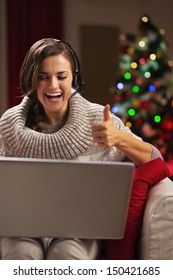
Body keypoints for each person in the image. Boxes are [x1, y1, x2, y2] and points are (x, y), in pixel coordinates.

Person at [0, 38, 162, 260]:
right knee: (21, 252)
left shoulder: (98, 119)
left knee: (65, 252)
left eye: (62, 76)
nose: (53, 86)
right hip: (21, 229)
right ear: (31, 80)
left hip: (80, 232)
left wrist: (119, 138)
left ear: (75, 78)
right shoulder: (10, 125)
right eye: (43, 77)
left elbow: (155, 160)